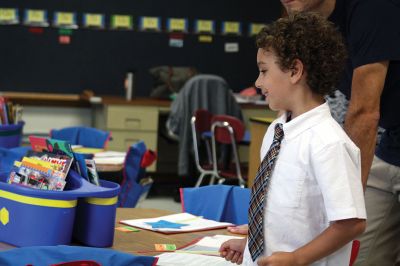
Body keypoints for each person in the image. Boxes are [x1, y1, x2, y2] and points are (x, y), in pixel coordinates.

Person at [220, 12, 366, 265]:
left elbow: (351, 223)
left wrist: (297, 258)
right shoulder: (276, 130)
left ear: (295, 71)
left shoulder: (329, 143)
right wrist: (250, 246)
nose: (257, 81)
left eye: (264, 71)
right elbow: (280, 212)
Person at [278, 1, 400, 265]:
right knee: (352, 255)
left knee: (346, 216)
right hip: (391, 145)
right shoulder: (308, 23)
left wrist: (343, 201)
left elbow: (365, 112)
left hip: (379, 134)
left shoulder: (373, 8)